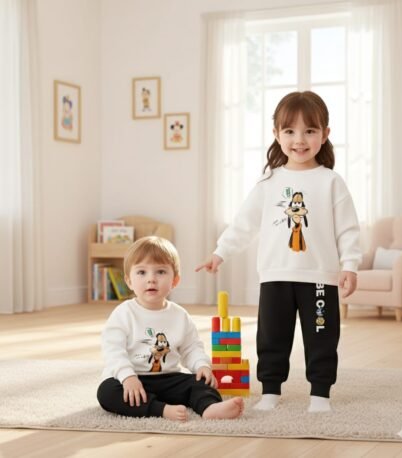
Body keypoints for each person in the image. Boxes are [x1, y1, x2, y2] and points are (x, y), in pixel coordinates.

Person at [196, 91, 361, 413]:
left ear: (325, 134)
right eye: (289, 131)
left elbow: (348, 229)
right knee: (272, 337)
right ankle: (270, 391)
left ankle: (320, 395)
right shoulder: (269, 182)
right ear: (276, 133)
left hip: (320, 278)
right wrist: (220, 252)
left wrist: (350, 265)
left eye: (309, 131)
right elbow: (244, 223)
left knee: (322, 338)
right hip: (275, 276)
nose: (299, 140)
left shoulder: (331, 182)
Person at [97, 236, 244, 421]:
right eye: (141, 272)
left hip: (169, 378)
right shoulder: (123, 313)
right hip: (133, 378)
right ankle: (161, 409)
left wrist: (201, 365)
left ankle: (209, 407)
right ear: (129, 281)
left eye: (160, 272)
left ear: (175, 280)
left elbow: (191, 347)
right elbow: (113, 350)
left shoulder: (179, 315)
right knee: (107, 392)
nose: (151, 279)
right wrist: (127, 377)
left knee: (202, 382)